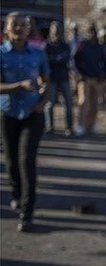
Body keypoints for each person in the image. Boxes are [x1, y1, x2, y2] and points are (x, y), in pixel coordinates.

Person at [0, 12, 50, 232]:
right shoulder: (1, 54)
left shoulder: (38, 54)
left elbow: (47, 82)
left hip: (33, 113)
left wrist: (43, 101)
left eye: (24, 25)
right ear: (7, 29)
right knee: (11, 162)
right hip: (8, 114)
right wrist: (19, 86)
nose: (19, 29)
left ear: (30, 29)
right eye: (15, 25)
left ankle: (27, 212)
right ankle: (17, 194)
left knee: (26, 159)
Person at [74, 24, 106, 136]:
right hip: (85, 78)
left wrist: (104, 74)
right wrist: (80, 74)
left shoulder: (99, 46)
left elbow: (105, 62)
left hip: (96, 78)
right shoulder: (83, 45)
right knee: (83, 102)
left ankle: (91, 125)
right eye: (90, 32)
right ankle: (80, 125)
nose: (92, 34)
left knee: (95, 103)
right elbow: (75, 60)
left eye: (94, 32)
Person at [44, 21, 73, 135]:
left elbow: (66, 58)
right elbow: (46, 60)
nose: (56, 34)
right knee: (50, 104)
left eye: (58, 32)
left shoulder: (65, 45)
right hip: (51, 78)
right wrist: (57, 59)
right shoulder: (47, 46)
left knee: (68, 103)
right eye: (54, 31)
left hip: (64, 77)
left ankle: (69, 127)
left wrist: (55, 59)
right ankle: (49, 126)